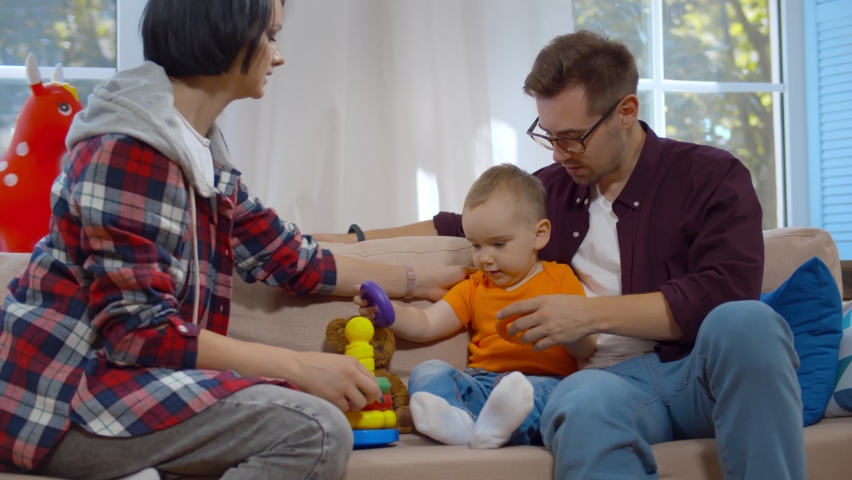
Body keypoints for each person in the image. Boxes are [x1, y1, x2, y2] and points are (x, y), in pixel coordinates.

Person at [0, 1, 468, 478]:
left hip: (126, 387)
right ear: (223, 33)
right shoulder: (129, 149)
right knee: (316, 427)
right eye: (270, 35)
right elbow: (138, 333)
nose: (278, 56)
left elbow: (292, 259)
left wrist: (417, 280)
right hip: (64, 402)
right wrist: (299, 366)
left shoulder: (198, 151)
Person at [320, 31, 806, 479]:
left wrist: (588, 315)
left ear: (627, 110)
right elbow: (453, 225)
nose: (558, 153)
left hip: (698, 372)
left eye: (572, 137)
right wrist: (344, 239)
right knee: (583, 401)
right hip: (609, 384)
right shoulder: (554, 190)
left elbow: (723, 293)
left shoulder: (712, 177)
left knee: (749, 322)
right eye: (548, 135)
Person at [355, 164, 596, 450]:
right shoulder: (476, 285)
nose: (486, 259)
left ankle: (496, 427)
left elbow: (587, 346)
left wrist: (570, 331)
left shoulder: (560, 278)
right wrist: (390, 313)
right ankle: (462, 425)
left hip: (544, 384)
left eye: (498, 244)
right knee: (427, 370)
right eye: (477, 246)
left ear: (539, 235)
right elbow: (427, 323)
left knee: (545, 396)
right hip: (480, 384)